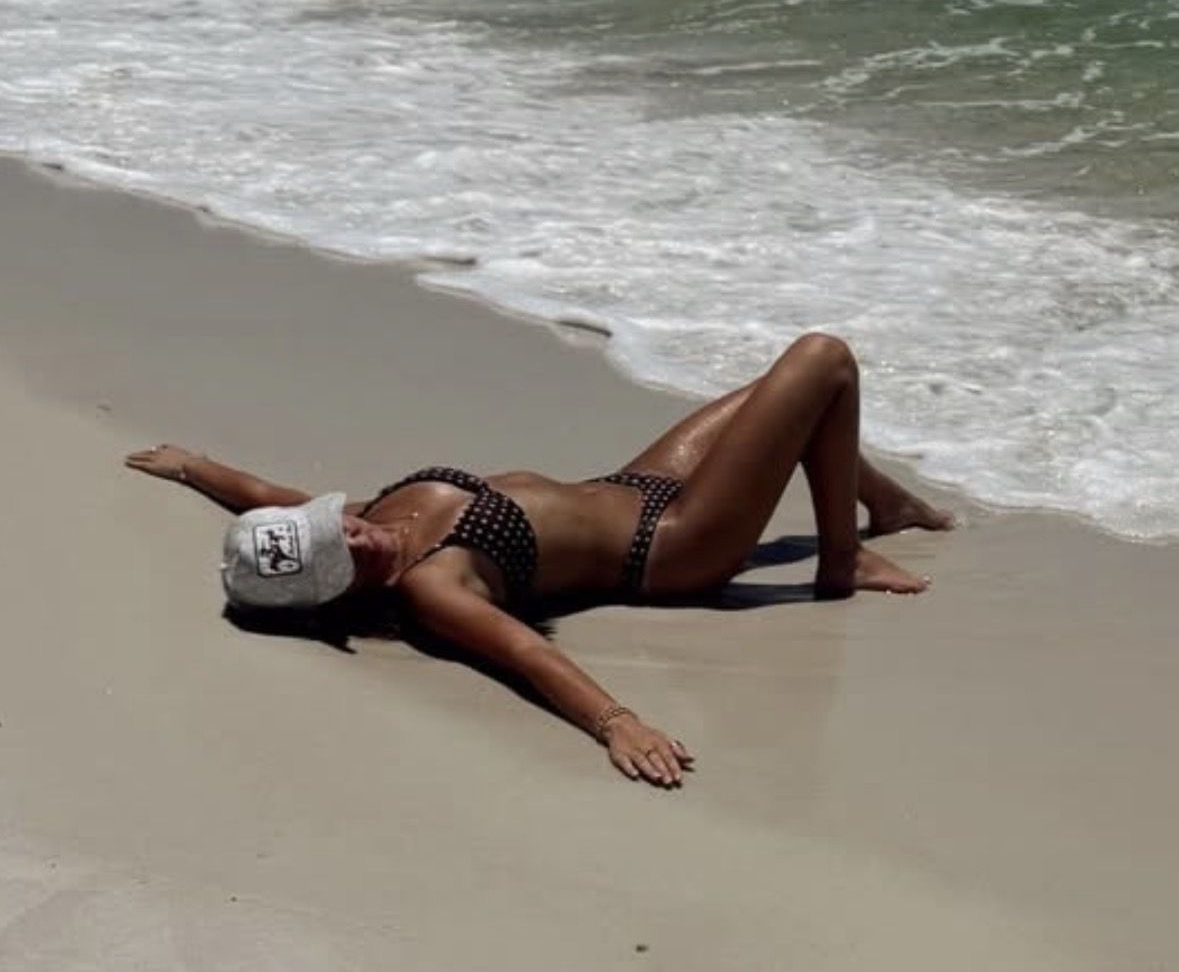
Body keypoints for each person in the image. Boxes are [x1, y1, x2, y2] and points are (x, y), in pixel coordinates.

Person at [126, 332, 951, 787]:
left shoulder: (367, 521)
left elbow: (265, 492)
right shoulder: (432, 584)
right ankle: (840, 563)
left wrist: (195, 467)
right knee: (820, 361)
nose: (351, 531)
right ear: (333, 588)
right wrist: (616, 723)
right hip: (673, 544)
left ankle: (883, 506)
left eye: (328, 523)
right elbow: (526, 653)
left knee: (772, 397)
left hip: (635, 484)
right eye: (334, 550)